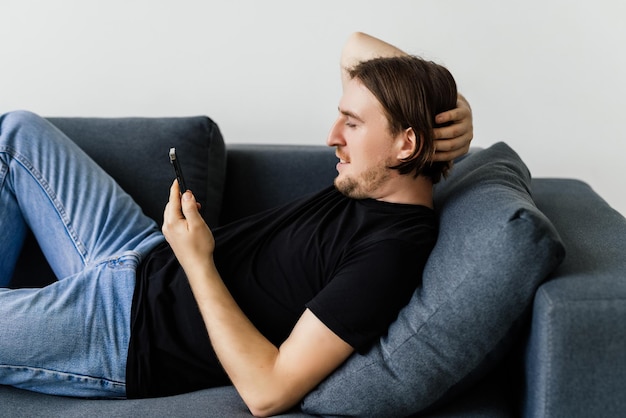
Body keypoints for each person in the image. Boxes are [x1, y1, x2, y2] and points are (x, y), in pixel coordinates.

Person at [0, 32, 472, 417]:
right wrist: (451, 104)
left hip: (125, 332)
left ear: (406, 144)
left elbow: (269, 391)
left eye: (351, 124)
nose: (331, 138)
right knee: (17, 133)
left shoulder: (390, 253)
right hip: (141, 256)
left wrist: (197, 261)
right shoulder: (372, 180)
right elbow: (355, 47)